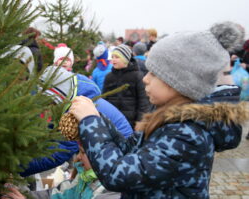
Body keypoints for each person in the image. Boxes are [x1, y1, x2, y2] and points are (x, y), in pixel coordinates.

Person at [68, 21, 248, 198]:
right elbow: (128, 149)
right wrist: (99, 119)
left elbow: (118, 174)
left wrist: (90, 122)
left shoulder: (187, 134)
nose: (145, 78)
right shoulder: (167, 120)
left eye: (154, 74)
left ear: (180, 83)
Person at [19, 66, 133, 177]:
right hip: (101, 152)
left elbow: (60, 152)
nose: (46, 108)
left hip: (119, 157)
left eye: (49, 103)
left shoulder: (77, 111)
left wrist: (18, 169)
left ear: (58, 98)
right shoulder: (67, 100)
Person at [2, 144, 121, 199]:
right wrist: (22, 195)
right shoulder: (83, 180)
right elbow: (54, 195)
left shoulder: (111, 191)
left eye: (83, 153)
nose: (78, 158)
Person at [103, 44, 153, 128]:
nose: (113, 59)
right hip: (112, 122)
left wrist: (140, 123)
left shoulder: (137, 76)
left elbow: (143, 101)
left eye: (117, 57)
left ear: (125, 59)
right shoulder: (109, 77)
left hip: (131, 122)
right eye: (112, 56)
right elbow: (104, 99)